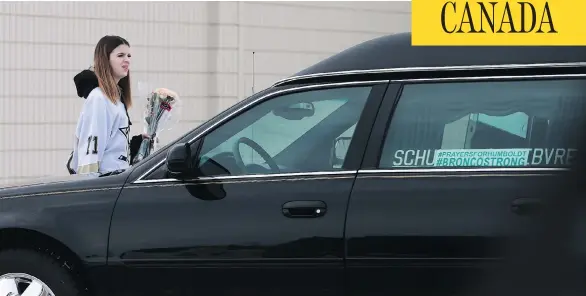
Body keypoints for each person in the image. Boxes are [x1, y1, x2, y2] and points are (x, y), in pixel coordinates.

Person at [66, 35, 149, 176]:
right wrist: (91, 190)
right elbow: (91, 152)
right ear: (105, 59)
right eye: (120, 55)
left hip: (117, 182)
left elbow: (112, 148)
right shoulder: (99, 99)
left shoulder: (116, 99)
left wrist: (136, 144)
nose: (127, 60)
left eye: (129, 55)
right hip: (105, 185)